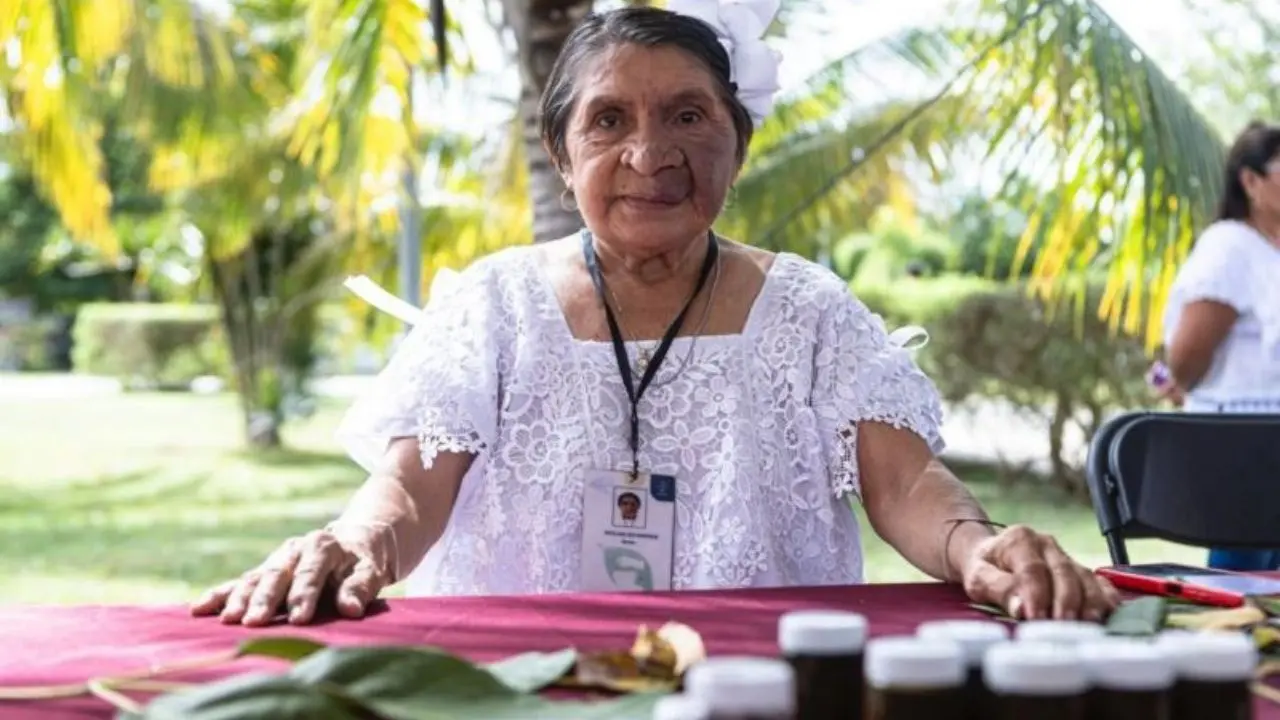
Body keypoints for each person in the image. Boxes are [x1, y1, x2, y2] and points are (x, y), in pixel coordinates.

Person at [192, 1, 1118, 627]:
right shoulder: (493, 305)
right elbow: (408, 492)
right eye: (608, 122)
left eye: (688, 117)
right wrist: (351, 543)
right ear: (561, 154)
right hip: (527, 687)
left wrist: (980, 545)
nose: (649, 152)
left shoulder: (809, 309)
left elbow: (908, 486)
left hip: (754, 684)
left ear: (737, 144)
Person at [1158, 120, 1280, 571]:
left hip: (1271, 448)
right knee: (1240, 582)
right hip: (1240, 450)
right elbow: (1187, 357)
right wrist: (1182, 382)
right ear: (1250, 181)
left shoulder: (1271, 250)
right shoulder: (1230, 248)